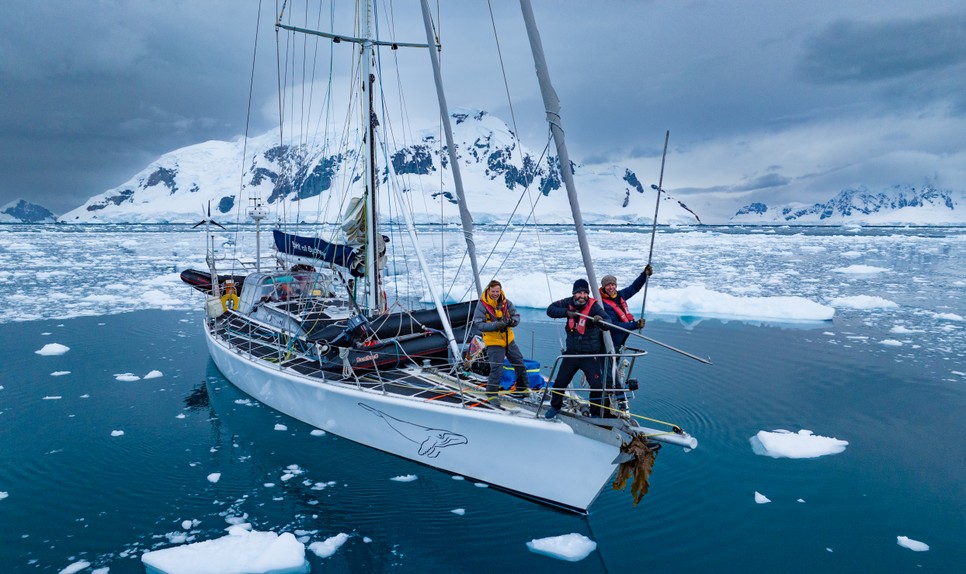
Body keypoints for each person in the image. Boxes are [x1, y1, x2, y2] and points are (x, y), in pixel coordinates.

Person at [544, 279, 611, 418]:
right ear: (574, 293)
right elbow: (550, 310)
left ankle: (596, 414)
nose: (582, 295)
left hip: (589, 355)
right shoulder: (567, 302)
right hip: (572, 354)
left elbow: (608, 323)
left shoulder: (594, 307)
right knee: (560, 382)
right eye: (579, 292)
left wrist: (600, 320)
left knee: (597, 386)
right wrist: (567, 313)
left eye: (585, 292)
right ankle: (555, 407)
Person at [473, 279, 529, 405]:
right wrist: (496, 325)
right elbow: (479, 325)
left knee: (519, 363)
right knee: (497, 368)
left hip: (509, 340)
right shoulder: (482, 305)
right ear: (489, 290)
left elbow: (516, 315)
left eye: (497, 291)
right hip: (494, 342)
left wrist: (513, 322)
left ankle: (523, 389)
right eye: (493, 291)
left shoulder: (506, 302)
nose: (495, 293)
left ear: (501, 290)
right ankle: (491, 394)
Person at [599, 264, 653, 350]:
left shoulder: (620, 295)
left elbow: (634, 288)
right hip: (611, 342)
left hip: (620, 339)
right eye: (608, 285)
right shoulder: (603, 304)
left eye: (613, 284)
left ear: (616, 286)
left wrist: (644, 275)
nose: (611, 287)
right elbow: (614, 325)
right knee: (611, 360)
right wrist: (635, 325)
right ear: (604, 287)